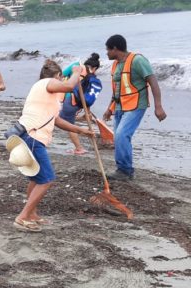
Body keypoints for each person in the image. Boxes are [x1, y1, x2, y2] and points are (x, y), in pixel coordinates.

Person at [9, 60, 96, 232]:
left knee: (36, 178)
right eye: (61, 79)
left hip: (28, 135)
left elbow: (56, 120)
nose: (62, 82)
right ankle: (22, 217)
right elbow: (70, 86)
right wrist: (77, 73)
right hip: (33, 137)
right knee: (47, 179)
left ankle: (32, 214)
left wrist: (80, 130)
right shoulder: (46, 83)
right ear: (57, 77)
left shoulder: (46, 95)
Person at [102, 34, 167, 181]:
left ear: (115, 48)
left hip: (136, 105)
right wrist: (110, 108)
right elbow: (117, 89)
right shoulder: (116, 64)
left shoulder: (137, 60)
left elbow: (153, 81)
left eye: (108, 50)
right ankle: (124, 169)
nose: (106, 53)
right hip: (120, 106)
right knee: (119, 137)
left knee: (121, 135)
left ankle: (125, 170)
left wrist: (158, 106)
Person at [59, 53, 103, 155]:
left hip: (68, 100)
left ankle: (79, 148)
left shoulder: (76, 66)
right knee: (65, 119)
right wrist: (87, 112)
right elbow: (86, 97)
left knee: (68, 125)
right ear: (95, 68)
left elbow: (59, 76)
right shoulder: (91, 77)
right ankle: (81, 118)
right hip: (77, 104)